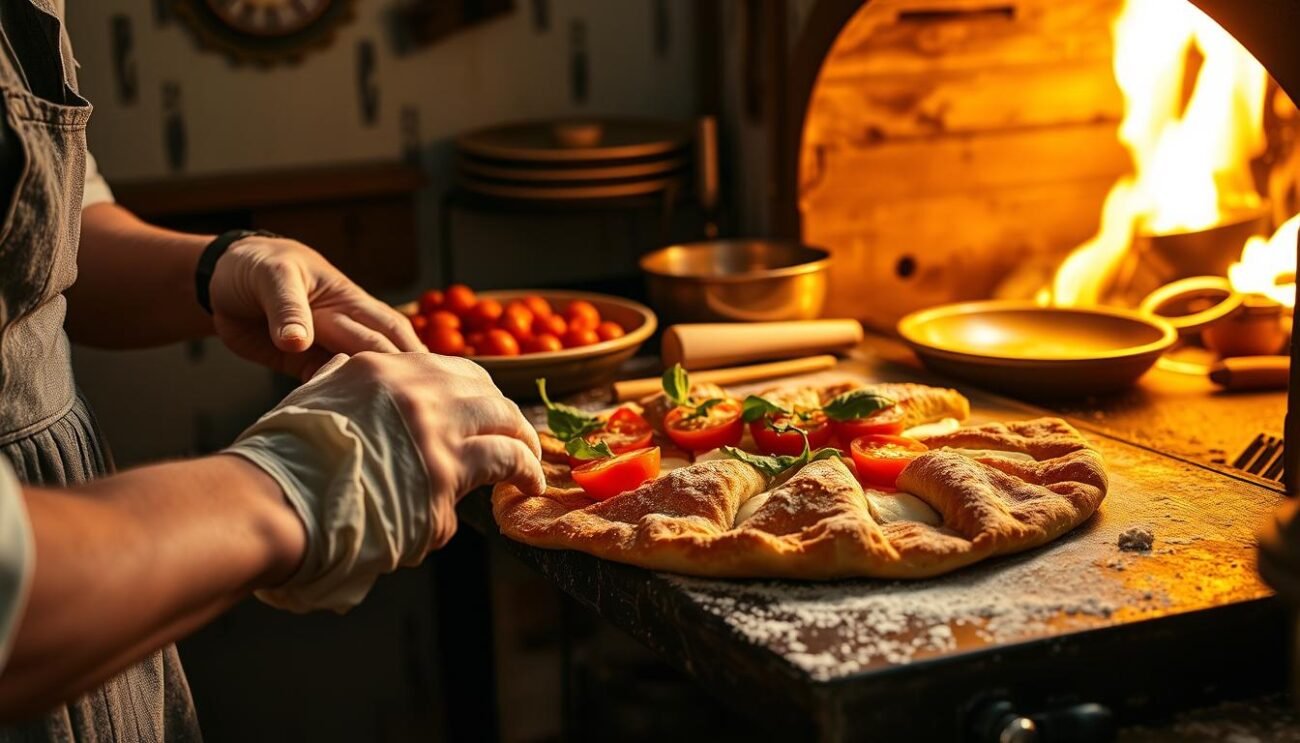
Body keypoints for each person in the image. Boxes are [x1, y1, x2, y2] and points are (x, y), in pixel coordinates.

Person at [0, 1, 546, 740]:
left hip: (95, 568)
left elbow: (47, 234)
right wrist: (297, 479)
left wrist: (217, 263)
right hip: (58, 589)